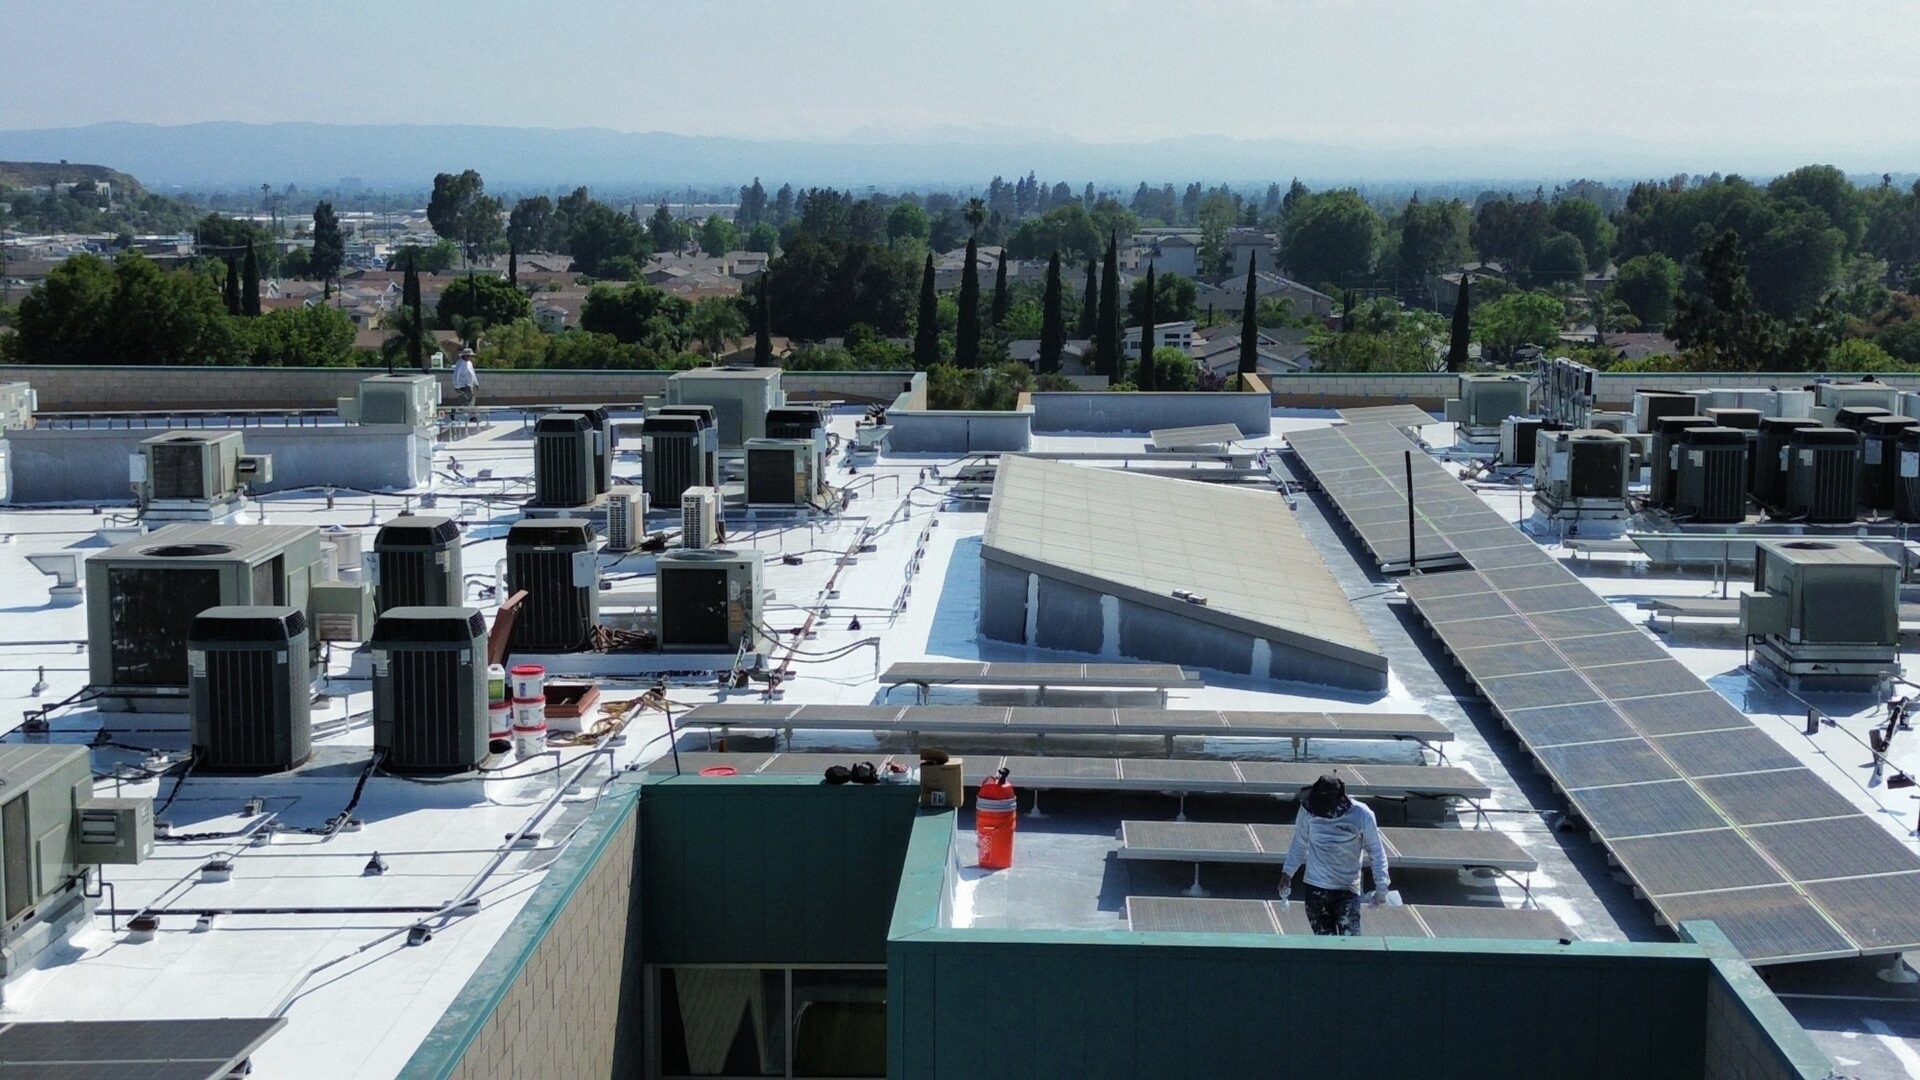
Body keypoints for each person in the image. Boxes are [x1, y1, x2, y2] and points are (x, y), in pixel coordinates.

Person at [1278, 775, 1390, 936]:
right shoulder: (1308, 811)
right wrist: (1287, 872)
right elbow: (1299, 843)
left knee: (1350, 943)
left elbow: (1377, 853)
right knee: (1325, 944)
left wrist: (1382, 889)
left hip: (1347, 889)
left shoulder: (1361, 814)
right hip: (1316, 888)